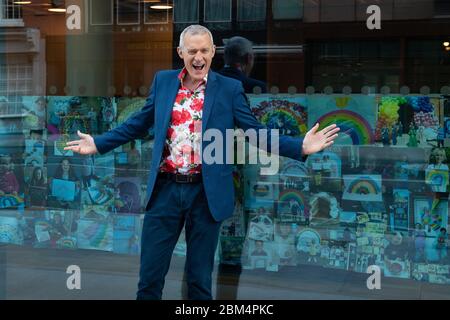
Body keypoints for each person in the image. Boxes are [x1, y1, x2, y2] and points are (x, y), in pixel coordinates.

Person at [65, 25, 339, 300]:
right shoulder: (163, 81)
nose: (199, 57)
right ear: (181, 53)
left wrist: (300, 146)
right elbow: (138, 123)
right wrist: (99, 143)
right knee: (149, 279)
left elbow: (254, 131)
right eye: (192, 51)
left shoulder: (229, 88)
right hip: (165, 191)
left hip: (205, 194)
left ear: (213, 53)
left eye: (205, 51)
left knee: (199, 282)